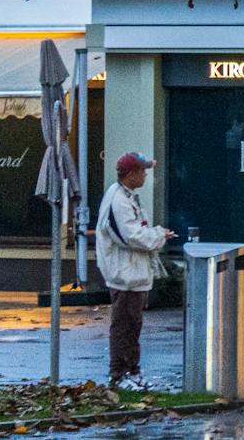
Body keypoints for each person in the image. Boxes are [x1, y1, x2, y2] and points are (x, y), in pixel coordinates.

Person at [94, 152, 177, 389]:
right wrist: (159, 235)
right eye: (143, 170)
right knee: (125, 325)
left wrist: (155, 234)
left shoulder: (124, 196)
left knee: (132, 324)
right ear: (131, 174)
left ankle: (131, 371)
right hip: (124, 274)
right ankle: (120, 374)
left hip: (132, 272)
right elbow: (131, 236)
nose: (146, 174)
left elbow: (134, 232)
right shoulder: (118, 201)